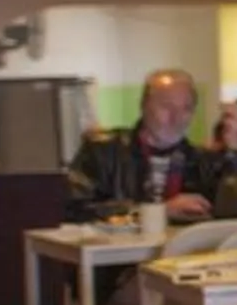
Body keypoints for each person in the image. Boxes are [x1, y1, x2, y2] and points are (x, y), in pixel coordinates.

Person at [65, 69, 219, 224]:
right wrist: (159, 211)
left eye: (186, 108)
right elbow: (73, 208)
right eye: (167, 107)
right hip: (120, 247)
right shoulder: (101, 151)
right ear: (144, 106)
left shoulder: (202, 161)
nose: (177, 118)